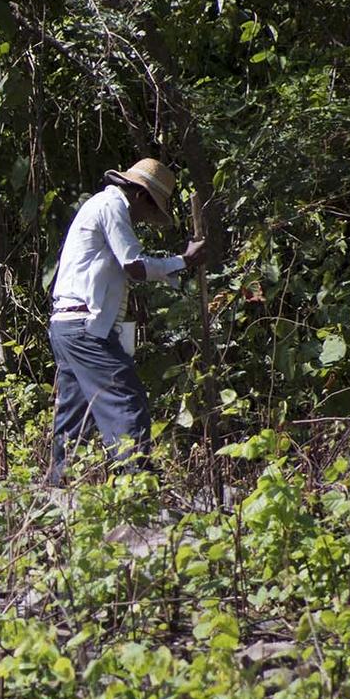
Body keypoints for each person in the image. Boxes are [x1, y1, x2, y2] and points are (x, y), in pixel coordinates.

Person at [46, 158, 206, 485]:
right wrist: (184, 261)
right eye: (151, 209)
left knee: (75, 414)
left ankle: (58, 487)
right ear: (141, 196)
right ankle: (136, 484)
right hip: (83, 327)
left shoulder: (101, 205)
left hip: (67, 326)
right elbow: (134, 265)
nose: (147, 219)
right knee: (125, 399)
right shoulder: (111, 206)